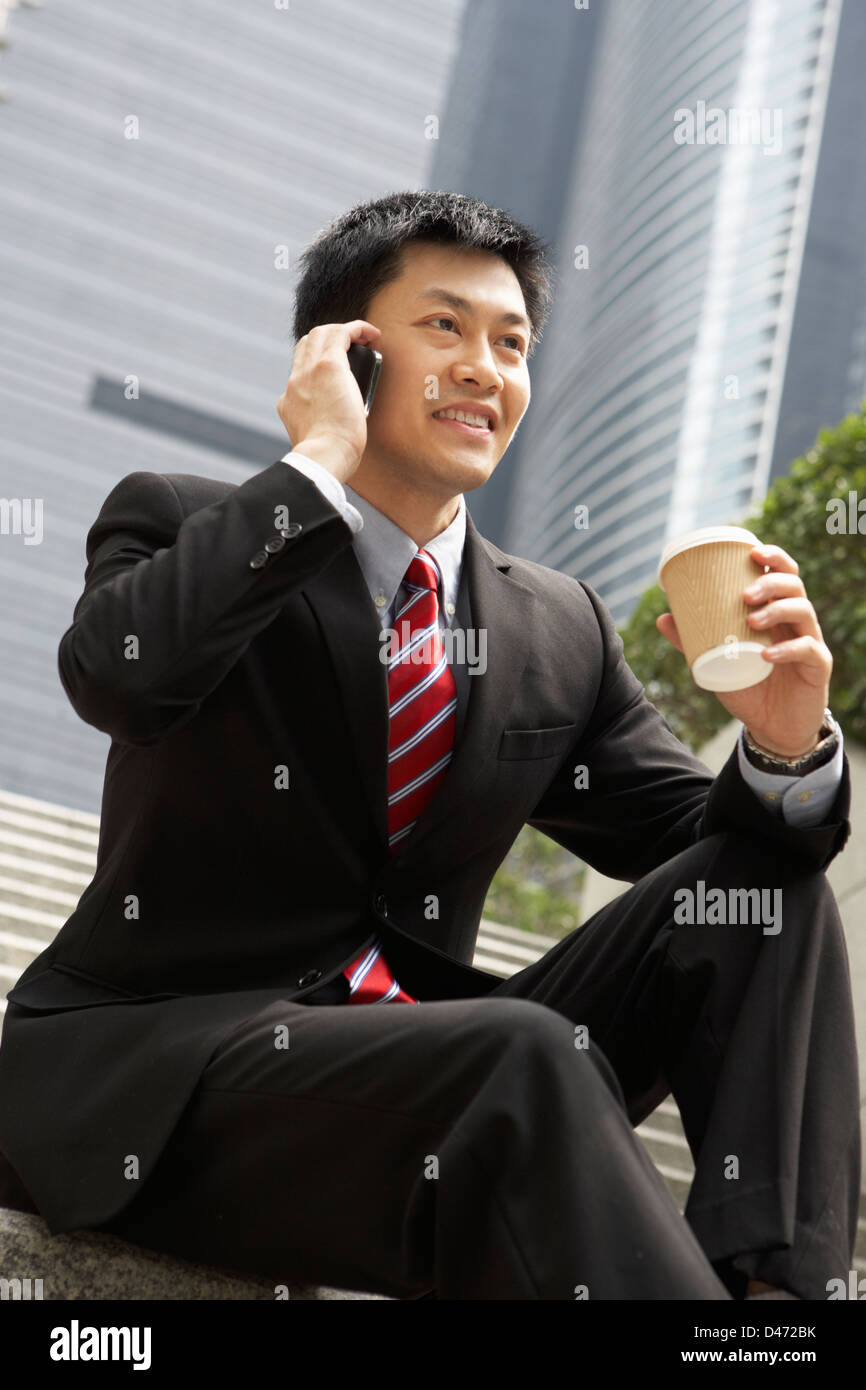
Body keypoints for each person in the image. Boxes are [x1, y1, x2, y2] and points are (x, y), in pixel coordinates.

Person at [0, 191, 857, 1301]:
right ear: (343, 352)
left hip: (426, 1084)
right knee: (517, 1053)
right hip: (173, 1083)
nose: (483, 368)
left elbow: (699, 851)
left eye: (510, 343)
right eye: (442, 328)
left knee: (767, 891)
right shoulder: (186, 521)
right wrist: (312, 465)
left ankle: (776, 1305)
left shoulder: (557, 626)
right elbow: (117, 675)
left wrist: (786, 751)